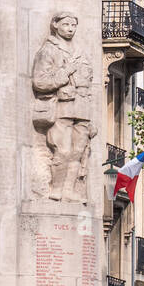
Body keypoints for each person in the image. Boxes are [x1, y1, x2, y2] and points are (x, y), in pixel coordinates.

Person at [30, 11, 95, 200]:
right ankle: (56, 189)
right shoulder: (49, 50)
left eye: (73, 25)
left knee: (78, 152)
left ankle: (70, 190)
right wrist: (65, 73)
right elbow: (40, 82)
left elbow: (89, 80)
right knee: (63, 150)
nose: (70, 29)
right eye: (66, 24)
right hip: (62, 107)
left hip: (82, 108)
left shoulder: (79, 51)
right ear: (55, 25)